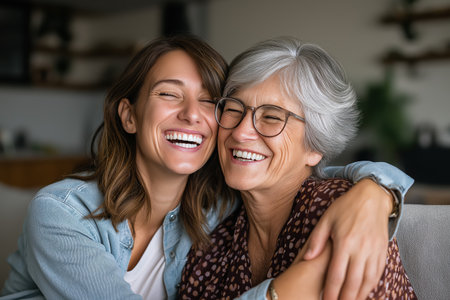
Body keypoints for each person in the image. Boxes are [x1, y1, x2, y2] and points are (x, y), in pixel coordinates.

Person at [1, 36, 413, 300]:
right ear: (128, 116)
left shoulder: (220, 209)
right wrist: (283, 293)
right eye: (168, 94)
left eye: (211, 102)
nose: (192, 116)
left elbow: (310, 172)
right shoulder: (61, 214)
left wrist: (377, 191)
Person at [179, 37, 416, 299]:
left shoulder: (343, 212)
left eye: (271, 117)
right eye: (234, 108)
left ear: (315, 147)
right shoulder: (214, 240)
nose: (241, 132)